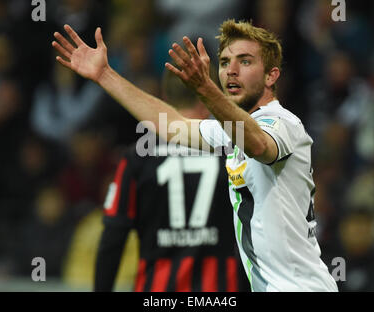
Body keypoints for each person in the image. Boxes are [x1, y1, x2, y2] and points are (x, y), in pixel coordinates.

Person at [52, 19, 338, 291]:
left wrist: (206, 90)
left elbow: (259, 145)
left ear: (271, 75)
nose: (231, 71)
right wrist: (105, 75)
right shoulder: (231, 133)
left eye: (245, 61)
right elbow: (172, 127)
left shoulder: (283, 123)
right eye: (225, 62)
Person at [93, 66, 248, 292]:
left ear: (164, 98)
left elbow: (113, 238)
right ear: (211, 97)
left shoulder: (137, 157)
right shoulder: (234, 151)